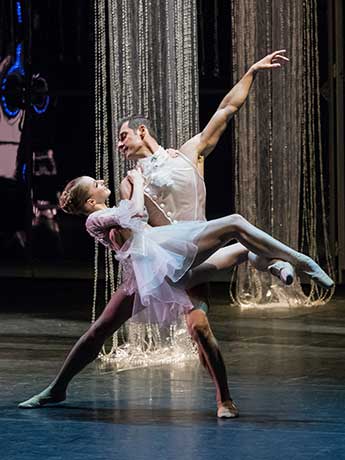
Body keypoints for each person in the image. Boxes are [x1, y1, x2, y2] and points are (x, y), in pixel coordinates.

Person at [18, 170, 333, 415]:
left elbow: (143, 221)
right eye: (96, 183)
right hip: (153, 268)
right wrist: (138, 182)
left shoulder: (110, 211)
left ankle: (281, 265)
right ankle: (298, 261)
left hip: (157, 264)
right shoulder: (96, 219)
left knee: (237, 246)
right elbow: (137, 213)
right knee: (99, 331)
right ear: (90, 202)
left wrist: (140, 190)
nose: (102, 181)